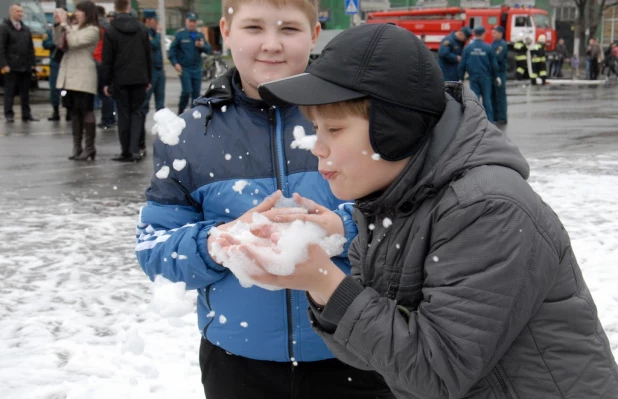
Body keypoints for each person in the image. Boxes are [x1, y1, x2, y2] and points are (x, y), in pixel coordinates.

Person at [253, 22, 618, 398]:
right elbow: (373, 354)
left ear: (394, 129)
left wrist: (324, 282)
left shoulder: (488, 208)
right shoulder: (389, 201)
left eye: (334, 129)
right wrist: (321, 286)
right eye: (315, 128)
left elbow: (435, 375)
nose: (317, 147)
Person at [135, 1, 394, 398]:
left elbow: (408, 220)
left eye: (288, 29)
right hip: (237, 367)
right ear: (226, 30)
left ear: (314, 33)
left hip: (358, 353)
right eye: (254, 27)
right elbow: (154, 249)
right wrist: (216, 243)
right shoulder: (188, 135)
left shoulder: (359, 115)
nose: (271, 45)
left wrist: (341, 227)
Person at [102, 0, 152, 162]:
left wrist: (105, 82)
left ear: (115, 8)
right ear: (129, 7)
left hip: (120, 79)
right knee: (137, 113)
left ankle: (125, 151)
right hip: (139, 78)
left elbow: (107, 59)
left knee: (123, 115)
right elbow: (147, 55)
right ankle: (135, 149)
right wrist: (148, 78)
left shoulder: (110, 31)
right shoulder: (142, 29)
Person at [54, 2, 100, 161]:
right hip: (68, 76)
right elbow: (58, 42)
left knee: (85, 110)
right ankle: (77, 146)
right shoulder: (72, 28)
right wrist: (58, 24)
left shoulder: (93, 30)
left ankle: (89, 147)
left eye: (79, 11)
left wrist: (65, 25)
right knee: (73, 111)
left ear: (87, 13)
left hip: (83, 76)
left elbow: (74, 42)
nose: (76, 14)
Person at [0, 3, 38, 123]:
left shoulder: (25, 29)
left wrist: (33, 63)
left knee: (25, 93)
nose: (20, 14)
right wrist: (4, 64)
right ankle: (9, 114)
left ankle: (26, 114)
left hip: (25, 66)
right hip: (11, 66)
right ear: (11, 12)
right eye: (18, 11)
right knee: (9, 92)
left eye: (21, 12)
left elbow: (30, 48)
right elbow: (1, 48)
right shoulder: (4, 28)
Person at [169, 12, 211, 115]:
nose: (192, 24)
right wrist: (175, 63)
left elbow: (209, 49)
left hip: (196, 68)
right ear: (186, 22)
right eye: (190, 21)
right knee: (187, 91)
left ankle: (193, 115)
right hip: (185, 68)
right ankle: (181, 111)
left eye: (194, 22)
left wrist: (202, 46)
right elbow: (172, 51)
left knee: (196, 94)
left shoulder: (200, 35)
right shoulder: (180, 35)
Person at [458, 26, 499, 123]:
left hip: (473, 77)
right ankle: (489, 122)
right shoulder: (488, 47)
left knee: (474, 100)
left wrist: (461, 78)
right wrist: (496, 76)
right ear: (483, 34)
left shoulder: (468, 48)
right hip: (486, 77)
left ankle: (475, 122)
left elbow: (462, 64)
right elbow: (494, 64)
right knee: (487, 100)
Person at [139, 9, 165, 157]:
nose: (157, 23)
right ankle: (140, 133)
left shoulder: (154, 33)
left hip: (160, 70)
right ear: (148, 20)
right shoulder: (146, 33)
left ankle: (163, 133)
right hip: (151, 71)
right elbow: (153, 45)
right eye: (154, 20)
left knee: (160, 103)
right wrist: (160, 34)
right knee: (145, 103)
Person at [42, 18, 68, 121]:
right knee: (54, 88)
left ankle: (68, 110)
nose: (58, 19)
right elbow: (45, 44)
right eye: (56, 17)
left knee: (67, 88)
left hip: (67, 62)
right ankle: (55, 111)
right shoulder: (50, 31)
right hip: (55, 62)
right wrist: (56, 42)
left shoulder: (69, 29)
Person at [95, 5, 116, 129]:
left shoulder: (98, 27)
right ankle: (111, 118)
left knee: (103, 93)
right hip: (108, 62)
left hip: (99, 62)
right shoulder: (108, 26)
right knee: (108, 92)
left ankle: (106, 119)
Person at [491, 25, 507, 124]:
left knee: (500, 95)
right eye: (493, 33)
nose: (493, 34)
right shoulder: (494, 43)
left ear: (500, 33)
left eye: (495, 33)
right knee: (493, 95)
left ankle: (502, 117)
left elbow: (497, 57)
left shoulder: (501, 45)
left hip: (500, 72)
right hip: (494, 72)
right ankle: (495, 116)